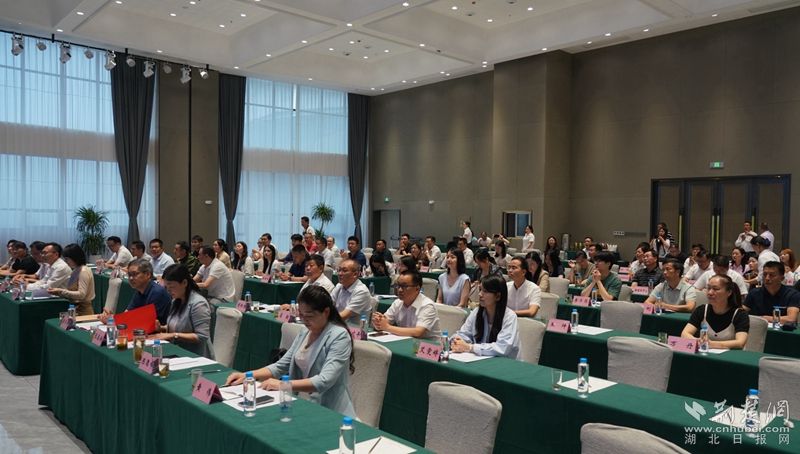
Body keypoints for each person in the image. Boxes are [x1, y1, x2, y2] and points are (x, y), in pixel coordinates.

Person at [225, 286, 355, 417]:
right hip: (301, 403)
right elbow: (280, 366)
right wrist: (248, 376)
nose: (304, 320)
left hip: (330, 410)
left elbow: (324, 380)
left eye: (309, 316)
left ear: (326, 312)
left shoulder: (339, 336)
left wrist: (283, 384)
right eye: (301, 315)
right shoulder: (305, 332)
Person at [151, 264, 215, 359]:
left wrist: (173, 335)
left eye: (172, 287)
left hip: (196, 356)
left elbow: (201, 336)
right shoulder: (176, 300)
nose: (168, 291)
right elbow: (179, 326)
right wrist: (161, 328)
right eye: (166, 287)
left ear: (184, 283)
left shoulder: (198, 304)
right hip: (178, 352)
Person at [451, 275, 520, 359]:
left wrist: (470, 347)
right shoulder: (476, 312)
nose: (480, 294)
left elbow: (502, 348)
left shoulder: (510, 317)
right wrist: (456, 341)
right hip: (479, 359)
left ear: (498, 296)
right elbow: (464, 334)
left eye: (485, 291)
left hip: (505, 362)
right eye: (480, 290)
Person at [681, 274, 749, 350]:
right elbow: (685, 334)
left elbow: (740, 343)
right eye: (708, 288)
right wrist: (697, 341)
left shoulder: (740, 314)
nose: (710, 292)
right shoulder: (701, 310)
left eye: (716, 289)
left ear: (729, 292)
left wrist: (710, 344)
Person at [100, 259, 172, 324]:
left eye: (135, 274)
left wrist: (116, 320)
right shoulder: (139, 291)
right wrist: (111, 319)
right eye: (129, 275)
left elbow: (146, 322)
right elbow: (127, 315)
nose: (131, 278)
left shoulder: (157, 292)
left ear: (148, 274)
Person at [373, 271, 441, 339]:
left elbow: (418, 332)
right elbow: (385, 321)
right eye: (398, 285)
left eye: (405, 286)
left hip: (429, 344)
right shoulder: (397, 303)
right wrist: (378, 322)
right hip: (406, 340)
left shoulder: (427, 305)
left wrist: (387, 327)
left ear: (417, 288)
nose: (400, 290)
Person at [47, 243, 95, 316]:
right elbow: (72, 292)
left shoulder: (83, 271)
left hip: (83, 311)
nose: (66, 261)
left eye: (67, 259)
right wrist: (59, 292)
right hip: (74, 308)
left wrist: (61, 291)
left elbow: (81, 294)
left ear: (75, 257)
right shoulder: (75, 270)